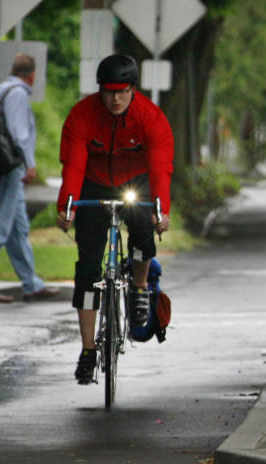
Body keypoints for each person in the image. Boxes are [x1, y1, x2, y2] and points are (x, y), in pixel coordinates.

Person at [55, 54, 173, 385]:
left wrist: (161, 209)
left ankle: (137, 287)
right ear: (100, 91)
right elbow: (74, 166)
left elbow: (161, 166)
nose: (116, 99)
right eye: (108, 92)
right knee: (89, 269)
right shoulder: (82, 115)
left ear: (133, 89)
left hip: (135, 181)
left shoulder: (150, 118)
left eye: (122, 91)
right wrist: (67, 206)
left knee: (142, 237)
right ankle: (88, 349)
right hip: (93, 182)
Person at [0, 53, 60, 304]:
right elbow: (19, 133)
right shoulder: (18, 94)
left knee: (17, 230)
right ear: (32, 75)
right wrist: (30, 164)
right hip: (9, 169)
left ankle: (31, 283)